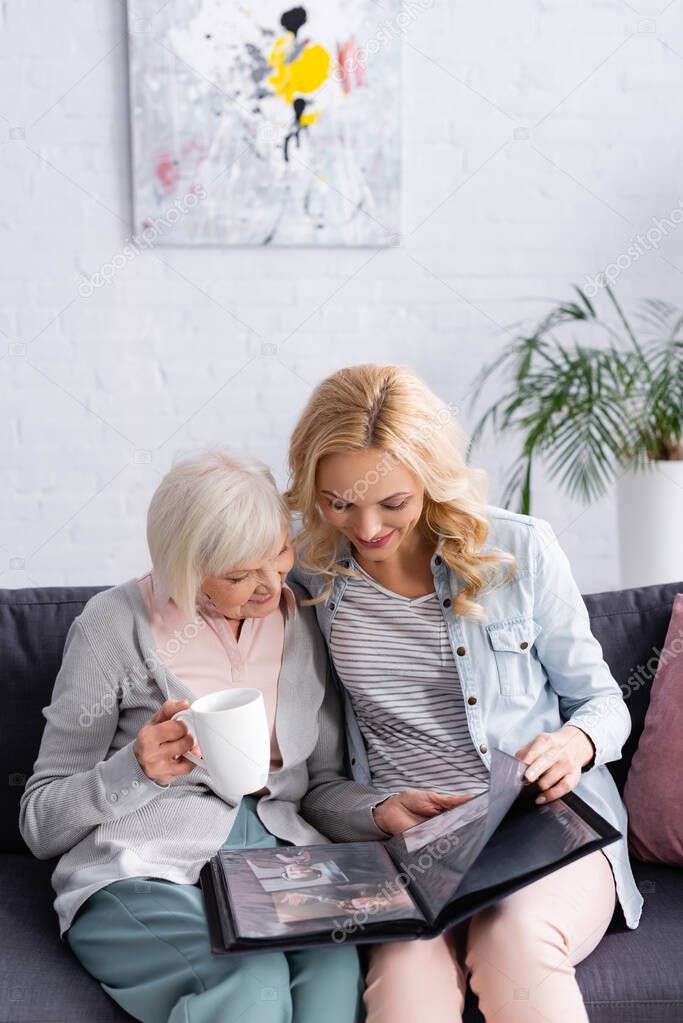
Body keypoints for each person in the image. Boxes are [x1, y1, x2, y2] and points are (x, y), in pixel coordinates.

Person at [285, 363, 643, 1023]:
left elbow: (604, 703)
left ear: (430, 473)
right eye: (339, 502)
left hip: (540, 832)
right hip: (408, 856)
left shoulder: (518, 548)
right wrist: (381, 810)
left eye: (391, 502)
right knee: (402, 982)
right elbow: (320, 783)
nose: (365, 528)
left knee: (512, 938)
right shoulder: (309, 578)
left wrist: (574, 740)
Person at [19, 449, 363, 1023]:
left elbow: (323, 783)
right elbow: (39, 821)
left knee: (336, 966)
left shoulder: (300, 618)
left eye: (279, 551)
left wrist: (383, 813)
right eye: (238, 574)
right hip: (144, 866)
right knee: (248, 978)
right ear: (184, 566)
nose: (271, 584)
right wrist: (134, 768)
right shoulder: (113, 626)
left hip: (281, 864)